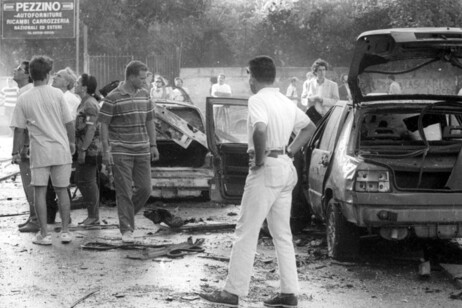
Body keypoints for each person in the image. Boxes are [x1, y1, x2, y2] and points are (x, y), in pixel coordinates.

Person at [199, 55, 316, 308]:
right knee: (282, 233)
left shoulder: (257, 100)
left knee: (246, 230)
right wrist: (291, 151)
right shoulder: (284, 100)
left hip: (267, 168)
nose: (248, 81)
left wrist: (261, 158)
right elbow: (309, 127)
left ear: (252, 76)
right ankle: (289, 293)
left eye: (248, 76)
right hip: (285, 165)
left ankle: (233, 292)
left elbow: (260, 129)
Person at [10, 55, 75, 245]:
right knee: (62, 190)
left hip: (40, 152)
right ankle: (65, 232)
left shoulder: (24, 98)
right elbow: (69, 123)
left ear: (31, 74)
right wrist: (71, 144)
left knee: (40, 191)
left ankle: (44, 234)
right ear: (48, 74)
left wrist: (15, 152)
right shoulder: (58, 94)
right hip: (61, 149)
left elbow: (19, 130)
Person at [99, 60, 160, 243]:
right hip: (120, 151)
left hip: (142, 149)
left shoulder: (145, 94)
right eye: (141, 78)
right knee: (124, 191)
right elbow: (103, 124)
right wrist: (106, 151)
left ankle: (126, 217)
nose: (144, 81)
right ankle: (126, 229)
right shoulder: (113, 97)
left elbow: (150, 120)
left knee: (146, 188)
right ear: (131, 77)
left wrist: (153, 145)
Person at [13, 61, 37, 233]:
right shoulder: (25, 91)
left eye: (20, 69)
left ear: (28, 75)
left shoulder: (26, 93)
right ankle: (33, 216)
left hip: (28, 146)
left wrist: (17, 150)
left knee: (30, 182)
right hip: (32, 144)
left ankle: (35, 219)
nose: (15, 71)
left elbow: (21, 127)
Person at [74, 73, 101, 226]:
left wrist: (83, 149)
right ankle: (92, 215)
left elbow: (90, 130)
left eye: (78, 82)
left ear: (84, 87)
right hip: (84, 148)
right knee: (82, 180)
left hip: (90, 149)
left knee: (87, 181)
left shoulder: (90, 104)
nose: (75, 85)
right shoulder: (84, 102)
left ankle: (94, 216)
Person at [306, 58, 339, 124]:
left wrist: (322, 100)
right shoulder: (310, 83)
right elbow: (306, 99)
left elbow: (336, 101)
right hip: (313, 117)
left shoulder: (333, 85)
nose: (322, 72)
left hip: (327, 117)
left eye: (324, 70)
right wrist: (309, 100)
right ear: (315, 71)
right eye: (320, 70)